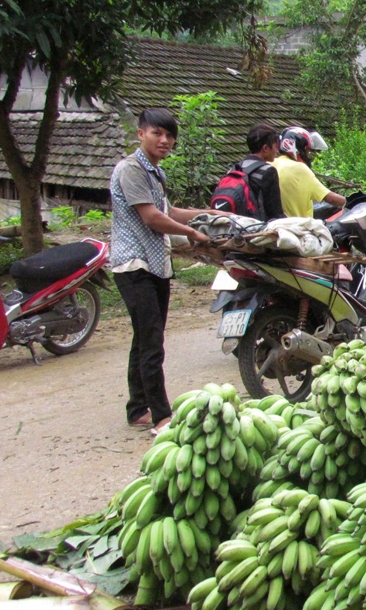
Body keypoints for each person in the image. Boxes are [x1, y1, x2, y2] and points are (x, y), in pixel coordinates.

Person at [110, 108, 224, 435]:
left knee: (146, 337)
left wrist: (206, 213)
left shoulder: (154, 172)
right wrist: (192, 234)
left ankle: (137, 409)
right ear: (140, 134)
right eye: (157, 133)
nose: (164, 140)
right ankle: (161, 416)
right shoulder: (131, 170)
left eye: (169, 135)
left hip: (156, 265)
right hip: (135, 265)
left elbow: (168, 210)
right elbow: (151, 218)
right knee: (151, 343)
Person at [211, 124, 284, 221]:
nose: (277, 150)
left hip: (233, 226)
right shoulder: (268, 171)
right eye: (275, 146)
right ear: (265, 148)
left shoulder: (234, 168)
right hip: (255, 228)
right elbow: (275, 214)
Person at [273, 126, 346, 218]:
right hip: (299, 228)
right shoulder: (300, 168)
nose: (308, 154)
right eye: (307, 150)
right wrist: (358, 201)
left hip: (273, 225)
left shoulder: (270, 164)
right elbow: (330, 198)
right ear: (298, 148)